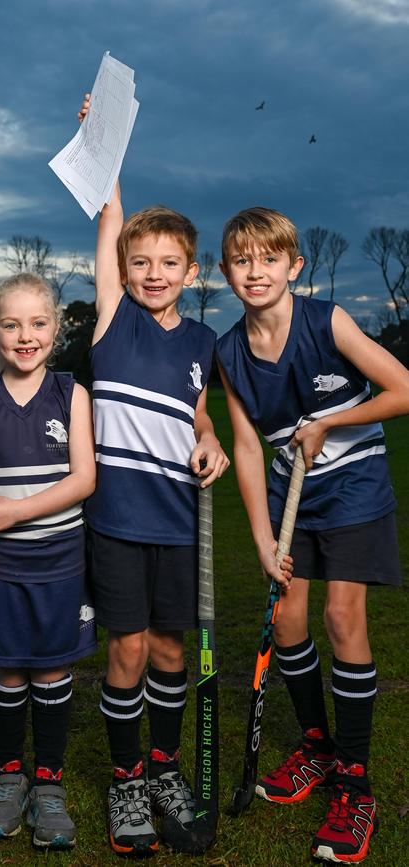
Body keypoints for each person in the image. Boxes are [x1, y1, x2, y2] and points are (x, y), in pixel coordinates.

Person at [216, 206, 409, 864]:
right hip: (287, 486)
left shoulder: (327, 320)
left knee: (340, 612)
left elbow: (404, 387)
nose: (255, 270)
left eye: (269, 258)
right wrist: (264, 538)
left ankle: (356, 783)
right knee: (289, 615)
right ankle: (318, 748)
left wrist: (332, 424)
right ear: (225, 273)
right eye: (242, 260)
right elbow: (245, 447)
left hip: (353, 483)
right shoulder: (228, 352)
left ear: (294, 267)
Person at [77, 96, 230, 855]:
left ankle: (166, 767)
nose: (153, 273)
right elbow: (111, 218)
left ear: (191, 271)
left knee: (171, 650)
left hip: (178, 517)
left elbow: (195, 414)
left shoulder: (202, 339)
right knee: (128, 650)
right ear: (123, 272)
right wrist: (101, 142)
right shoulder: (113, 320)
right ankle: (127, 775)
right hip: (117, 520)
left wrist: (211, 440)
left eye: (169, 264)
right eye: (141, 263)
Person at [0, 272, 97, 850]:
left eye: (38, 323)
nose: (25, 335)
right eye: (10, 325)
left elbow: (85, 478)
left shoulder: (72, 393)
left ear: (56, 329)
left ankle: (50, 781)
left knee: (53, 670)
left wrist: (19, 511)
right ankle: (9, 776)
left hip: (61, 564)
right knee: (8, 671)